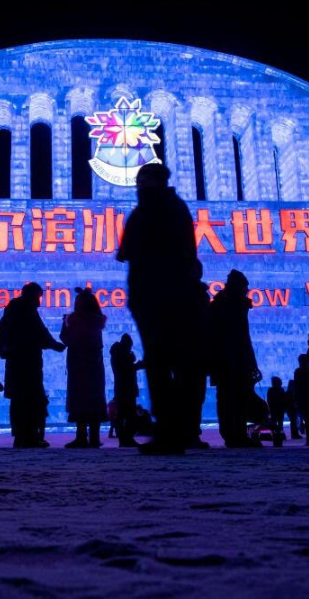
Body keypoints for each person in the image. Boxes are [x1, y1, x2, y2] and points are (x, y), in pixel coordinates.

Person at [116, 162, 206, 455]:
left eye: (145, 180)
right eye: (139, 181)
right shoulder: (148, 210)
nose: (141, 185)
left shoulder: (167, 209)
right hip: (150, 298)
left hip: (168, 297)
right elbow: (127, 251)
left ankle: (176, 430)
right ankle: (170, 428)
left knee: (172, 363)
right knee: (159, 364)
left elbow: (178, 253)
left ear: (158, 181)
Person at [0, 283, 65, 448]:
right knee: (32, 399)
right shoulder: (28, 313)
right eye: (38, 296)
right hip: (29, 363)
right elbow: (41, 333)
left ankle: (20, 436)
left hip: (15, 363)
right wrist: (55, 345)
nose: (39, 301)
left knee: (19, 400)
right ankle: (30, 435)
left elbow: (0, 340)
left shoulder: (10, 314)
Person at [210, 269, 262, 448]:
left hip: (225, 361)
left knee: (229, 399)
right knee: (234, 398)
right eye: (245, 288)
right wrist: (251, 363)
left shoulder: (220, 304)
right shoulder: (233, 306)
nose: (246, 291)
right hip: (232, 361)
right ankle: (235, 434)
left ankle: (232, 434)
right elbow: (242, 338)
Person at [60, 287, 108, 449]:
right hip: (94, 366)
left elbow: (66, 339)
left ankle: (81, 436)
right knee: (94, 399)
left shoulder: (74, 320)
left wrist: (64, 323)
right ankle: (94, 437)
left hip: (78, 365)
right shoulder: (97, 321)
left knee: (79, 399)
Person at [109, 333, 144, 448]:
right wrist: (136, 364)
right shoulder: (123, 356)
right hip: (126, 389)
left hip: (122, 389)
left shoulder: (118, 355)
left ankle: (124, 439)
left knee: (123, 415)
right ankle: (127, 439)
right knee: (129, 415)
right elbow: (126, 370)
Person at [266, 377, 287, 447]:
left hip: (275, 409)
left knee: (275, 423)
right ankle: (279, 436)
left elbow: (269, 400)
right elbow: (284, 400)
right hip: (279, 409)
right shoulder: (281, 390)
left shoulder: (270, 390)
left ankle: (276, 436)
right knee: (279, 423)